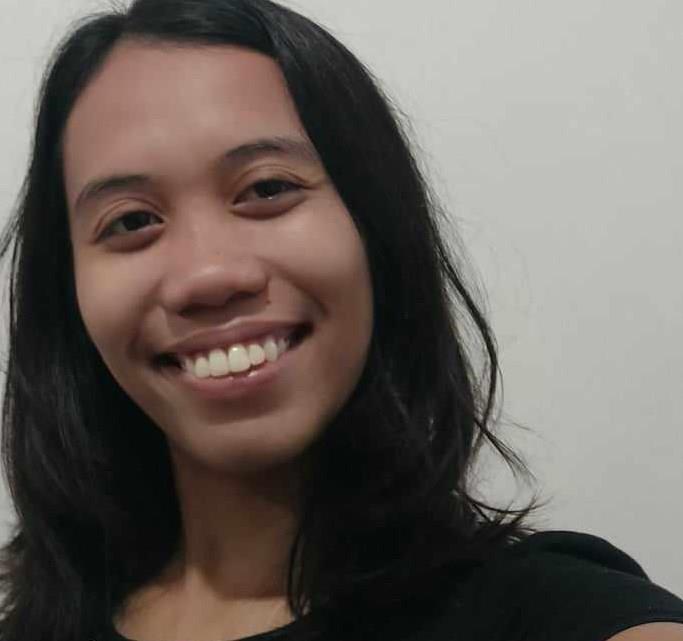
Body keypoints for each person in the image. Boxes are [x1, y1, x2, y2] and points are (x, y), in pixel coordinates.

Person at [0, 0, 681, 640]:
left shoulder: (544, 610)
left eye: (267, 188)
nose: (207, 274)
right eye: (130, 222)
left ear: (376, 227)